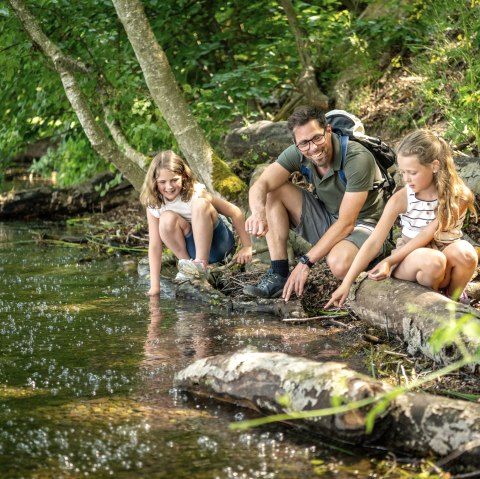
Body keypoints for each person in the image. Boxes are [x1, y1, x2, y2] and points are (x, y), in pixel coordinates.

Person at [244, 105, 387, 301]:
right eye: (304, 144)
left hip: (365, 227)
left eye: (317, 138)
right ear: (296, 144)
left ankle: (371, 259)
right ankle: (278, 273)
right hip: (329, 219)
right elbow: (262, 184)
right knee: (272, 191)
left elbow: (347, 223)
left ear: (328, 131)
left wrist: (306, 261)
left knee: (338, 263)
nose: (313, 148)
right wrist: (258, 212)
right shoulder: (299, 152)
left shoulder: (357, 158)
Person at [325, 129, 478, 309]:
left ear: (435, 166)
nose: (406, 179)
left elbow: (428, 234)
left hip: (445, 260)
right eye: (403, 172)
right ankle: (433, 302)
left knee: (466, 252)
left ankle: (453, 301)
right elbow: (374, 242)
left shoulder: (457, 197)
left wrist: (387, 262)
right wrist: (347, 283)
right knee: (434, 261)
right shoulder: (402, 198)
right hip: (410, 259)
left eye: (412, 172)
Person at [140, 150, 252, 296]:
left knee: (200, 204)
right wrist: (155, 287)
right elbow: (155, 245)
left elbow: (235, 211)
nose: (169, 186)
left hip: (220, 244)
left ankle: (200, 266)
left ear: (183, 176)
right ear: (154, 181)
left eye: (174, 180)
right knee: (166, 218)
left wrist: (247, 246)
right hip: (191, 249)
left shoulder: (195, 192)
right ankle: (187, 266)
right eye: (162, 182)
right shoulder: (155, 204)